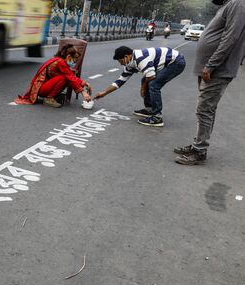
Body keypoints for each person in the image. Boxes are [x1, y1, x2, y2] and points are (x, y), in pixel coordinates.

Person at [174, 0, 245, 165]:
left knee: (204, 109)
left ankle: (199, 151)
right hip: (211, 68)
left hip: (217, 69)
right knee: (206, 110)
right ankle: (197, 145)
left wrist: (211, 65)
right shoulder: (229, 5)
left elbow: (231, 37)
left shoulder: (238, 4)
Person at [94, 46, 186, 127]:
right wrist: (104, 92)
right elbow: (120, 81)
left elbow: (151, 76)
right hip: (169, 62)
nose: (121, 64)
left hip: (176, 62)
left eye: (121, 61)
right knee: (146, 81)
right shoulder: (130, 63)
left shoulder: (140, 58)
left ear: (127, 56)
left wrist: (143, 87)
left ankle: (157, 117)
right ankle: (150, 110)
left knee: (153, 85)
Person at [15, 44, 93, 108]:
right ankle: (49, 98)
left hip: (40, 88)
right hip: (41, 89)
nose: (75, 62)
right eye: (75, 60)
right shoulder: (60, 62)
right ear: (69, 57)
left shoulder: (58, 60)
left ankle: (49, 97)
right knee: (64, 78)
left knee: (66, 77)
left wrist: (84, 83)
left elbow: (71, 75)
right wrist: (84, 93)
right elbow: (70, 77)